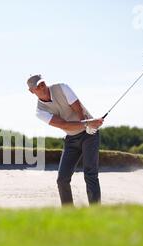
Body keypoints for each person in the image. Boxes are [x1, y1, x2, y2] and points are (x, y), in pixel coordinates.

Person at [27, 75, 104, 205]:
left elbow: (78, 108)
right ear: (31, 91)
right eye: (38, 87)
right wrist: (87, 124)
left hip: (90, 135)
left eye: (42, 84)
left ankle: (95, 212)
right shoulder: (40, 111)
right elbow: (63, 124)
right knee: (62, 179)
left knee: (90, 174)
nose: (42, 88)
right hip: (71, 139)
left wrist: (87, 125)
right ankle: (69, 213)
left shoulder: (62, 88)